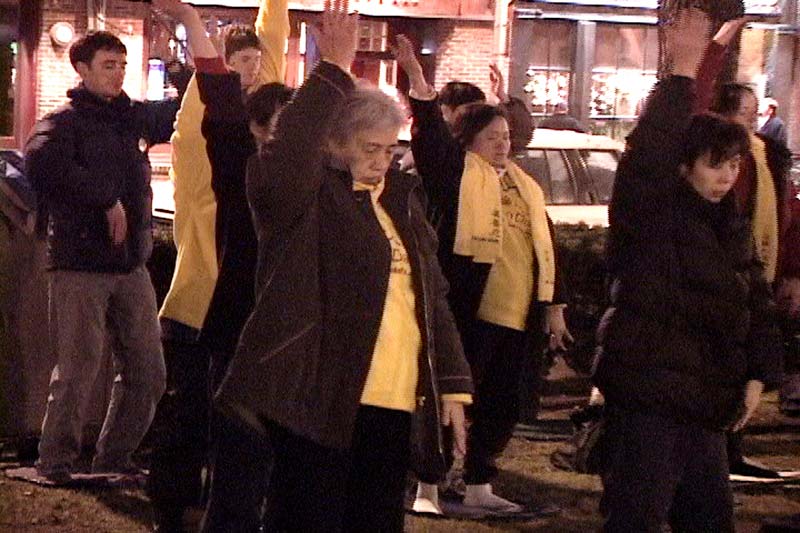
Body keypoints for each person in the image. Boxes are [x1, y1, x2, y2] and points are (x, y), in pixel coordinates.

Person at [212, 1, 473, 530]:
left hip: (393, 402)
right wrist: (331, 69)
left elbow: (430, 297)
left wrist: (451, 383)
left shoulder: (400, 203)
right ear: (334, 143)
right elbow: (288, 152)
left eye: (390, 149)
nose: (382, 161)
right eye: (370, 148)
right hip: (320, 398)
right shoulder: (307, 201)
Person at [593, 9, 783, 531]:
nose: (726, 176)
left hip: (705, 400)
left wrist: (758, 374)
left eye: (734, 165)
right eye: (714, 164)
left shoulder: (730, 225)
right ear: (685, 166)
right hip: (649, 395)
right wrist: (680, 74)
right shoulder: (651, 215)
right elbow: (648, 154)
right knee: (637, 516)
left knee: (710, 519)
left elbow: (755, 300)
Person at [394, 35, 571, 514]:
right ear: (468, 141)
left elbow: (543, 246)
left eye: (506, 137)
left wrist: (554, 305)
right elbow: (430, 140)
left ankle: (478, 483)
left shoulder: (524, 185)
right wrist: (417, 79)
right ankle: (428, 486)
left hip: (517, 317)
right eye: (492, 137)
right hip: (468, 310)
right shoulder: (457, 175)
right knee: (448, 397)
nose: (503, 144)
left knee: (501, 404)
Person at [146, 0, 289, 531]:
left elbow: (273, 42)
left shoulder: (274, 169)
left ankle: (222, 509)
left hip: (242, 312)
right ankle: (175, 508)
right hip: (197, 305)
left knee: (241, 429)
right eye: (238, 66)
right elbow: (206, 105)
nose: (250, 71)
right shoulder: (207, 151)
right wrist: (193, 27)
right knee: (190, 420)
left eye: (254, 63)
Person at [25, 29, 178, 483]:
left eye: (123, 65)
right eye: (108, 66)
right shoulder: (63, 122)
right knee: (76, 371)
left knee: (148, 371)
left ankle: (114, 458)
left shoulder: (131, 118)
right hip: (80, 263)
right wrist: (105, 199)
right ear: (82, 69)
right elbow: (42, 164)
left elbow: (186, 108)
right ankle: (55, 462)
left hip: (130, 264)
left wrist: (178, 63)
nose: (118, 74)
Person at [694, 20, 800, 480]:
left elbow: (786, 213)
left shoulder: (765, 155)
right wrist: (714, 48)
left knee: (746, 362)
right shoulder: (713, 171)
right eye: (746, 113)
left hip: (754, 267)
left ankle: (731, 450)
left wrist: (789, 270)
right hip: (723, 276)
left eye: (757, 113)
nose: (754, 121)